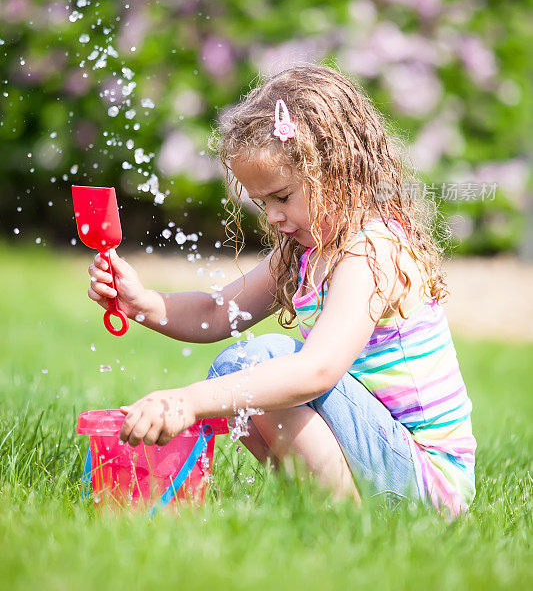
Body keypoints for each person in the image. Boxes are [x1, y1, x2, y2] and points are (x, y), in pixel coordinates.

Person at [87, 64, 476, 520]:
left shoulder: (371, 252)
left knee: (259, 361)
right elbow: (218, 313)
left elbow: (317, 371)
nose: (272, 216)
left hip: (427, 481)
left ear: (338, 171)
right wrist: (146, 304)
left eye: (283, 197)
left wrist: (188, 401)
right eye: (262, 203)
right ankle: (318, 511)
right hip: (384, 455)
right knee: (233, 368)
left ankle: (352, 520)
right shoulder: (304, 250)